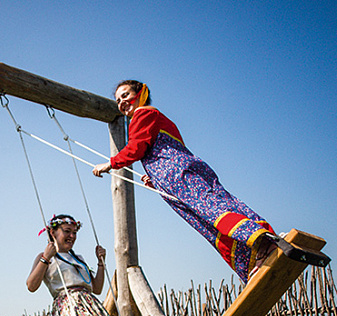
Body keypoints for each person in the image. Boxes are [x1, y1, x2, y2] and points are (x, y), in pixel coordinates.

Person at [93, 80, 276, 283]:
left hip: (178, 174)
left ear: (141, 92)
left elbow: (137, 147)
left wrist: (110, 163)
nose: (121, 103)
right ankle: (252, 258)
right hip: (174, 178)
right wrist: (155, 177)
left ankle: (262, 243)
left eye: (125, 95)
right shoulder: (153, 118)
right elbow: (160, 149)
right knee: (207, 222)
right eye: (118, 100)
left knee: (212, 210)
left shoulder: (144, 113)